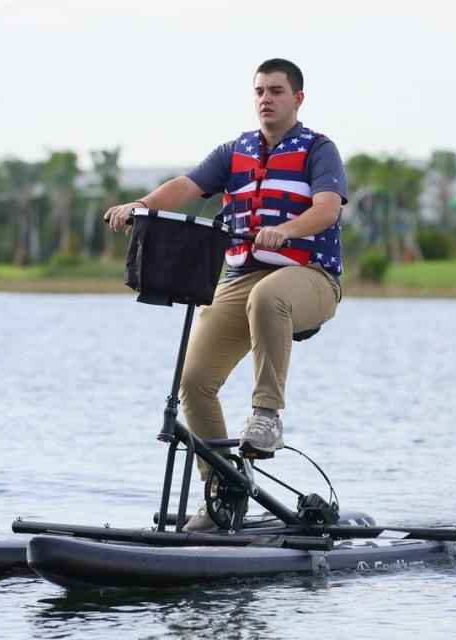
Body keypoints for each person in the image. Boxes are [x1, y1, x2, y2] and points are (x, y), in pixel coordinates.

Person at [104, 58, 347, 531]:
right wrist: (141, 205)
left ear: (297, 99)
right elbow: (187, 186)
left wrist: (287, 230)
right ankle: (223, 493)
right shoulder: (235, 151)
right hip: (240, 281)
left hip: (311, 277)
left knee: (269, 296)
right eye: (259, 91)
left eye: (276, 91)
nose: (266, 99)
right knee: (193, 385)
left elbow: (327, 209)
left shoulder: (319, 150)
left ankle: (267, 416)